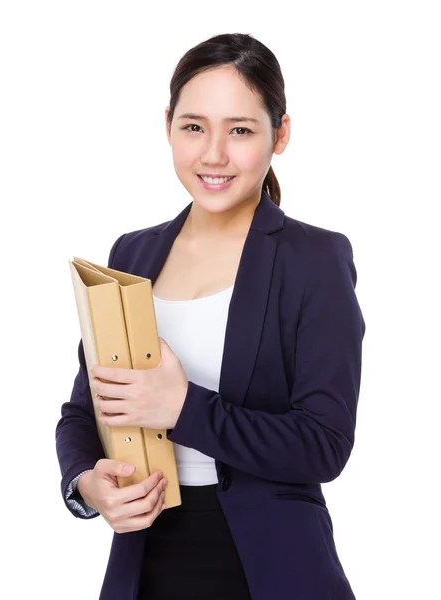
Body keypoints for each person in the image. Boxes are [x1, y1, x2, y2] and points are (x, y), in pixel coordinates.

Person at [56, 32, 366, 600]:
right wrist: (84, 483)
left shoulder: (314, 260)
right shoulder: (133, 254)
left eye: (240, 130)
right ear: (168, 125)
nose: (214, 154)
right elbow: (83, 409)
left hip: (272, 569)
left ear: (281, 133)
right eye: (194, 126)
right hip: (145, 562)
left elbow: (324, 444)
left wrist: (182, 408)